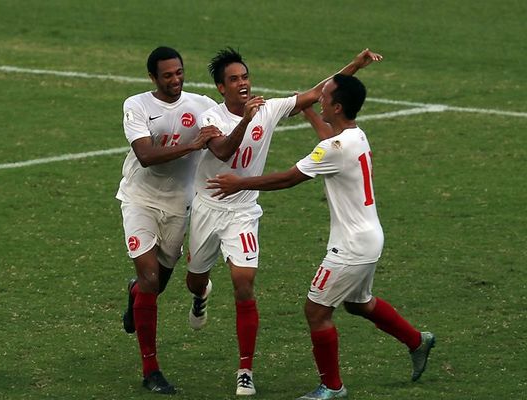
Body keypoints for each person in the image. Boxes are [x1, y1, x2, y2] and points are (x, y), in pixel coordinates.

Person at [206, 74, 435, 400]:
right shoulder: (354, 136)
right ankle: (417, 341)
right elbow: (329, 140)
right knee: (358, 304)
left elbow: (288, 179)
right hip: (370, 237)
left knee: (316, 312)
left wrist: (239, 183)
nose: (319, 98)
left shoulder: (334, 149)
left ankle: (332, 386)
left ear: (338, 106)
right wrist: (310, 114)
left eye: (324, 97)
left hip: (351, 247)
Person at [185, 48, 383, 396]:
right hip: (207, 208)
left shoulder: (269, 108)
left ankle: (245, 369)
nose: (243, 83)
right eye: (234, 79)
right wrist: (246, 120)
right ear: (221, 87)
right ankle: (200, 294)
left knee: (244, 283)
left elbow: (320, 92)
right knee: (195, 278)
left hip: (243, 211)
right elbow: (222, 152)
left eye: (245, 76)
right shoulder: (210, 119)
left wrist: (353, 65)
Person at [116, 46, 221, 395]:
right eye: (167, 75)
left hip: (179, 203)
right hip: (139, 200)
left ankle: (135, 294)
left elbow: (229, 128)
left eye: (179, 73)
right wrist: (193, 147)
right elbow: (145, 155)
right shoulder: (137, 105)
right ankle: (151, 370)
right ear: (153, 78)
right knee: (149, 279)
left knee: (155, 286)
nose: (175, 80)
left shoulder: (202, 105)